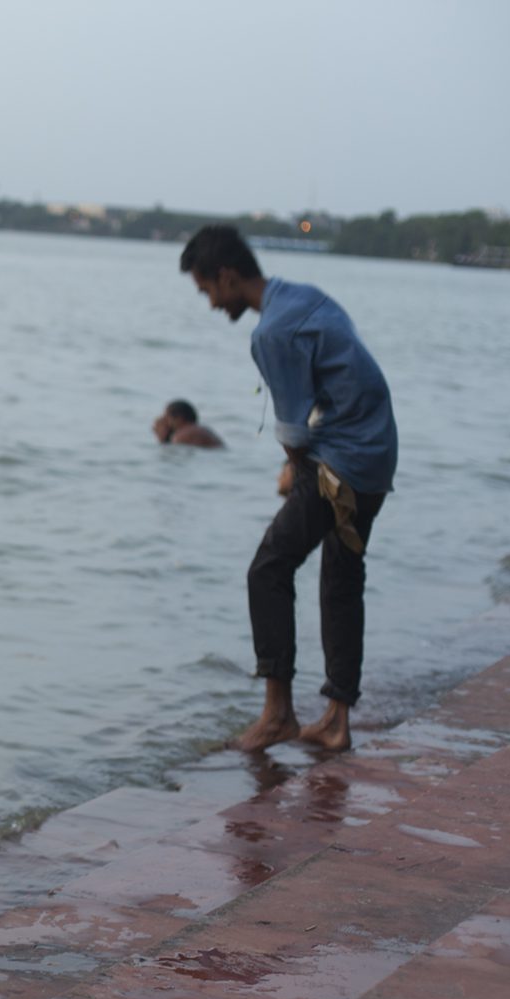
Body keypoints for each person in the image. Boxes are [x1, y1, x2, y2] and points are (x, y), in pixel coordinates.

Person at [180, 225, 397, 753]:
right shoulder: (305, 296)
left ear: (227, 277)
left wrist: (294, 470)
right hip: (378, 449)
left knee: (269, 569)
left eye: (208, 290)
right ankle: (336, 719)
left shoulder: (271, 331)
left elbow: (294, 431)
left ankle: (278, 713)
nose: (211, 304)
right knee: (342, 579)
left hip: (341, 460)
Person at [152, 398, 224, 447]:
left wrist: (161, 437)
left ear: (179, 419)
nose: (165, 423)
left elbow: (175, 453)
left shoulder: (182, 435)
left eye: (166, 419)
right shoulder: (202, 429)